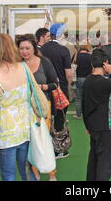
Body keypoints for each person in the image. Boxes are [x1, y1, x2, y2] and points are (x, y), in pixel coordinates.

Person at [0, 33, 34, 181]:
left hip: (6, 133)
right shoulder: (24, 68)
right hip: (26, 127)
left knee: (8, 175)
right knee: (27, 171)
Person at [17, 34, 59, 181]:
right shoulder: (17, 64)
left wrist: (40, 87)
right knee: (29, 142)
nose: (24, 51)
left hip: (42, 107)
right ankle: (34, 172)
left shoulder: (44, 62)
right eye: (21, 48)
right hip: (23, 108)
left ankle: (51, 172)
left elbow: (55, 83)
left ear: (34, 48)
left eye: (27, 48)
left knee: (44, 139)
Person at [82, 48, 111, 181]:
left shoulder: (88, 80)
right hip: (105, 126)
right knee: (106, 162)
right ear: (106, 62)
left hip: (92, 125)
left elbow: (85, 105)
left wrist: (87, 125)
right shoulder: (106, 82)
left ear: (92, 63)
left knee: (94, 158)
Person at [41, 23, 73, 158]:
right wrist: (69, 86)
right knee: (60, 118)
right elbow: (69, 74)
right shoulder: (63, 50)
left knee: (44, 118)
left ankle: (43, 148)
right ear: (60, 34)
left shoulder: (42, 49)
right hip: (60, 89)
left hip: (44, 89)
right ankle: (58, 149)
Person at [74, 43, 92, 120]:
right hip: (89, 79)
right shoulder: (91, 56)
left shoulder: (77, 56)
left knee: (78, 98)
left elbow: (73, 66)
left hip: (79, 78)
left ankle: (78, 115)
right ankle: (89, 115)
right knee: (89, 97)